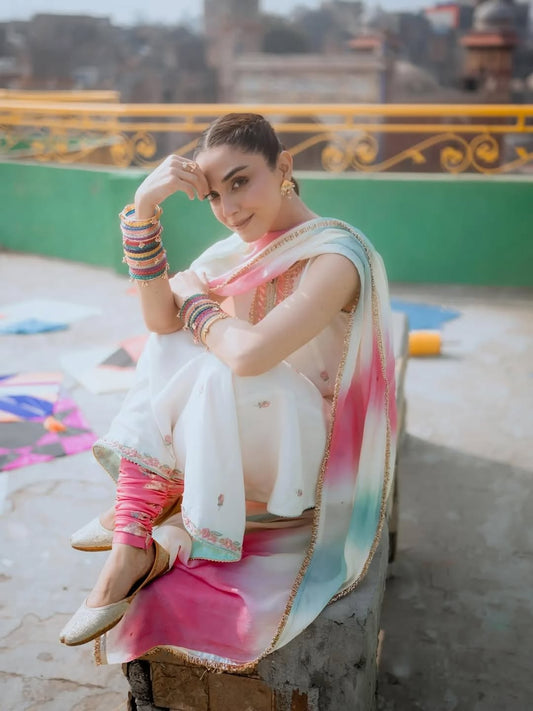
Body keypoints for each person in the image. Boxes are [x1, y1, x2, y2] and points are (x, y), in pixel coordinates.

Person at [60, 112, 397, 671]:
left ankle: (138, 516)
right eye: (215, 195)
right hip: (254, 437)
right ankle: (133, 533)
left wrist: (195, 302)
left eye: (241, 182)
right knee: (176, 342)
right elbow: (160, 323)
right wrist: (143, 211)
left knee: (220, 364)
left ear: (283, 167)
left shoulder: (337, 256)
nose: (229, 208)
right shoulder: (233, 254)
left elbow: (249, 354)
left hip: (312, 455)